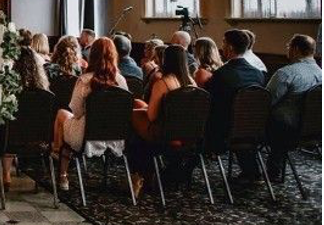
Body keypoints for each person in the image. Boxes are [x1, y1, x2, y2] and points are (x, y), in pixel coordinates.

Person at [52, 37, 129, 191]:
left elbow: (77, 112)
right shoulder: (121, 81)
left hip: (86, 136)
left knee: (61, 114)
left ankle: (62, 171)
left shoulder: (84, 80)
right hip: (115, 135)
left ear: (92, 55)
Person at [130, 45, 196, 197]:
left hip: (165, 133)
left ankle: (140, 174)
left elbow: (152, 116)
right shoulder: (192, 83)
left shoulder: (163, 83)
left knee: (133, 120)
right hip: (188, 134)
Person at [205, 29, 266, 177]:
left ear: (230, 47)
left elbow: (209, 102)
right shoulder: (257, 73)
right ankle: (251, 171)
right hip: (255, 127)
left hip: (224, 131)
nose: (222, 46)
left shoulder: (221, 74)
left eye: (223, 43)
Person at [266, 34, 321, 180]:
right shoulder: (320, 73)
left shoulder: (286, 73)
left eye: (288, 46)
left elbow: (266, 101)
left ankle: (252, 170)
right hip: (313, 129)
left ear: (295, 49)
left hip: (285, 129)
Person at [3, 48, 51, 188]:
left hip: (11, 141)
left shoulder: (11, 93)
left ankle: (6, 174)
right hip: (38, 141)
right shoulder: (46, 96)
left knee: (7, 131)